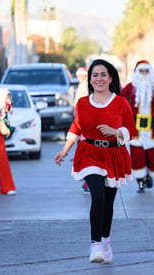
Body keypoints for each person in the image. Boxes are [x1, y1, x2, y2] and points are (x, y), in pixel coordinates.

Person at [54, 59, 137, 264]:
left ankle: (106, 240)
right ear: (90, 79)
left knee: (108, 203)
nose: (98, 78)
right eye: (95, 75)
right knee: (97, 197)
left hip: (114, 156)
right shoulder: (82, 103)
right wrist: (65, 149)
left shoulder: (121, 102)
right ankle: (95, 245)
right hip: (88, 153)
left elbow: (132, 131)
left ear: (110, 78)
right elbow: (77, 127)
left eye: (103, 75)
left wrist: (116, 132)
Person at [121, 60, 154, 193]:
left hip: (153, 128)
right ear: (136, 73)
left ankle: (149, 174)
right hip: (136, 130)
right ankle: (140, 180)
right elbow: (121, 103)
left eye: (146, 71)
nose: (143, 74)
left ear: (150, 72)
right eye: (141, 71)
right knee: (137, 157)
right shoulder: (129, 88)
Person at [73, 67, 91, 194]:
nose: (80, 77)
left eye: (82, 75)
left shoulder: (87, 87)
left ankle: (88, 182)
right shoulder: (81, 86)